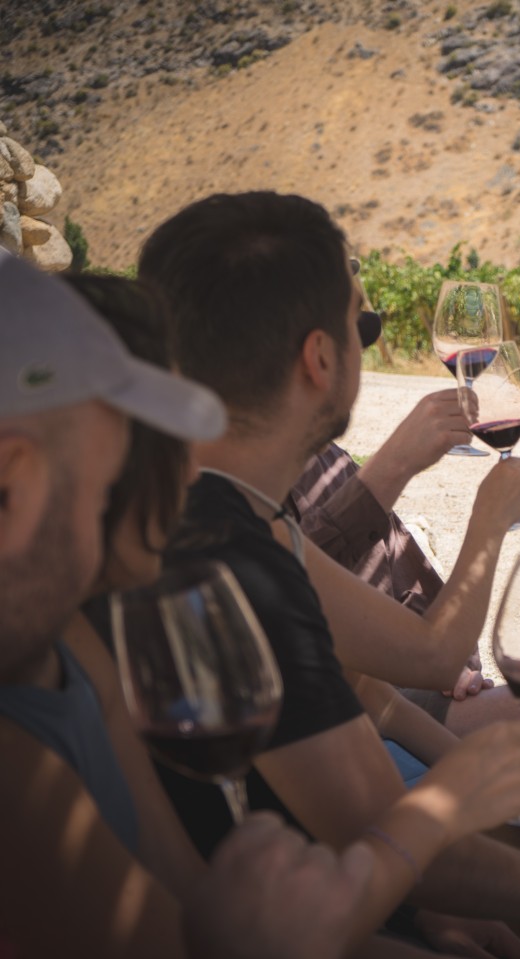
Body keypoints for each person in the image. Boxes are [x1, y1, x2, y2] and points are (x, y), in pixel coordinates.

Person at [137, 191, 520, 959]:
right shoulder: (230, 562)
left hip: (294, 894)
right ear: (320, 359)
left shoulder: (222, 517)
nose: (368, 343)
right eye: (363, 325)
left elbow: (367, 692)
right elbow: (406, 838)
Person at [61, 272, 520, 959]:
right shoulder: (185, 554)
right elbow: (417, 664)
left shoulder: (204, 535)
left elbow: (200, 896)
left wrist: (407, 908)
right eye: (168, 405)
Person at [0, 254, 381, 958]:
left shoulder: (65, 649)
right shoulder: (15, 768)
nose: (187, 477)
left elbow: (184, 899)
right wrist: (421, 841)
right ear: (13, 482)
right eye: (101, 485)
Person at [288, 398, 520, 845]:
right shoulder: (247, 492)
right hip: (346, 732)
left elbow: (395, 610)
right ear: (316, 361)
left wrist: (451, 662)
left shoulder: (317, 454)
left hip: (385, 693)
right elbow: (295, 601)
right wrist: (480, 516)